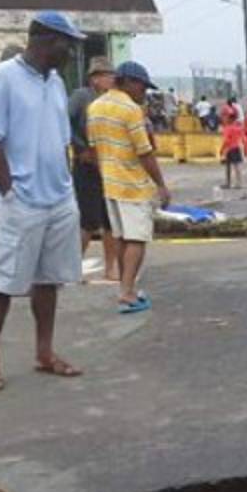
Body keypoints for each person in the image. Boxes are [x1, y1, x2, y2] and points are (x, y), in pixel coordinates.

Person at [0, 11, 86, 392]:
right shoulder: (0, 79)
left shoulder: (56, 83)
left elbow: (61, 139)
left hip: (59, 197)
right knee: (4, 282)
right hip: (21, 200)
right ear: (46, 42)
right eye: (67, 45)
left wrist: (66, 184)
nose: (70, 53)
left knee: (49, 280)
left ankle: (45, 352)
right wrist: (9, 191)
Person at [87, 60, 171, 314]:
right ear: (129, 83)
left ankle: (128, 288)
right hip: (133, 184)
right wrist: (161, 185)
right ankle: (126, 292)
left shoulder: (95, 107)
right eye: (142, 87)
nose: (144, 93)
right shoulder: (131, 110)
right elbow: (144, 152)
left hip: (110, 183)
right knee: (137, 239)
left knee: (122, 238)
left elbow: (93, 148)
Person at [67, 56, 119, 280]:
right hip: (86, 164)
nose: (111, 80)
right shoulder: (81, 97)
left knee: (110, 220)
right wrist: (80, 149)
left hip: (108, 164)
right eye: (107, 76)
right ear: (95, 78)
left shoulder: (113, 100)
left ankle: (111, 267)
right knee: (88, 221)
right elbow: (64, 123)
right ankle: (72, 267)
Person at [220, 110, 245, 189]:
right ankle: (239, 183)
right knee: (237, 166)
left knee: (228, 166)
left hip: (229, 148)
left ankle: (228, 183)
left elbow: (226, 141)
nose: (225, 119)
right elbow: (243, 138)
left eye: (226, 117)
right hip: (237, 147)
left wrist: (222, 149)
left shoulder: (227, 128)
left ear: (230, 119)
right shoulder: (238, 127)